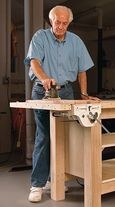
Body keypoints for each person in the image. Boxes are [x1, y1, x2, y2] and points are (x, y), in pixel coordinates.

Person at [24, 5, 99, 202]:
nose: (61, 26)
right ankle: (37, 185)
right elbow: (34, 63)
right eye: (57, 22)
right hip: (43, 90)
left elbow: (83, 70)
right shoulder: (40, 37)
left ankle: (55, 179)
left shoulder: (76, 41)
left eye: (65, 23)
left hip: (65, 91)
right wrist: (44, 78)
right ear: (51, 21)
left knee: (65, 136)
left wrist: (83, 93)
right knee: (44, 136)